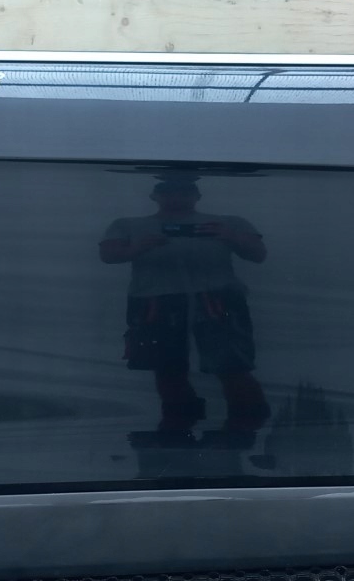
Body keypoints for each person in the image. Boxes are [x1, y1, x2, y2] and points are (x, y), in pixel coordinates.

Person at [99, 177, 270, 447]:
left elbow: (258, 254)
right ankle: (178, 429)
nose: (177, 198)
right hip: (156, 300)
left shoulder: (228, 223)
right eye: (169, 192)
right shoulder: (128, 225)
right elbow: (108, 255)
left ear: (197, 195)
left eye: (184, 191)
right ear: (155, 195)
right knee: (166, 368)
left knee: (232, 366)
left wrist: (230, 237)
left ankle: (246, 428)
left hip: (217, 298)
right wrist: (136, 248)